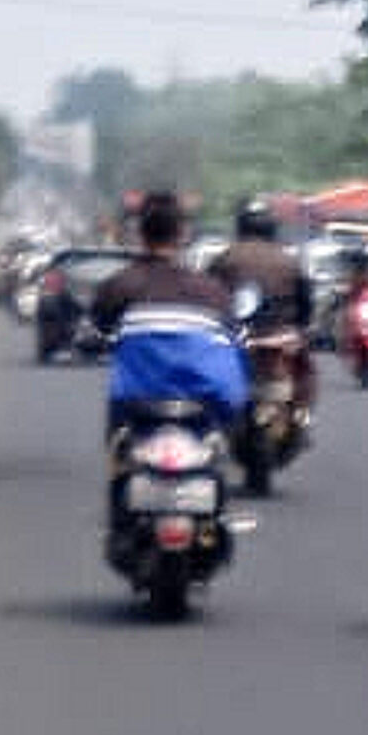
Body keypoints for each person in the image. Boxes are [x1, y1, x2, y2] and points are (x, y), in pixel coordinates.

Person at [88, 192, 250, 511]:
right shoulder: (211, 290)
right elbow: (238, 340)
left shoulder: (120, 284)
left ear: (141, 234)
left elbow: (97, 327)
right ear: (182, 235)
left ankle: (120, 497)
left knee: (118, 441)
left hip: (138, 404)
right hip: (205, 404)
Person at [213, 195, 315, 410]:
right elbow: (306, 302)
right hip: (278, 333)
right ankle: (302, 414)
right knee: (305, 368)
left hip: (236, 335)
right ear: (270, 228)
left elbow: (209, 297)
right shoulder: (289, 261)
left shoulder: (224, 258)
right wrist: (302, 326)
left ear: (241, 227)